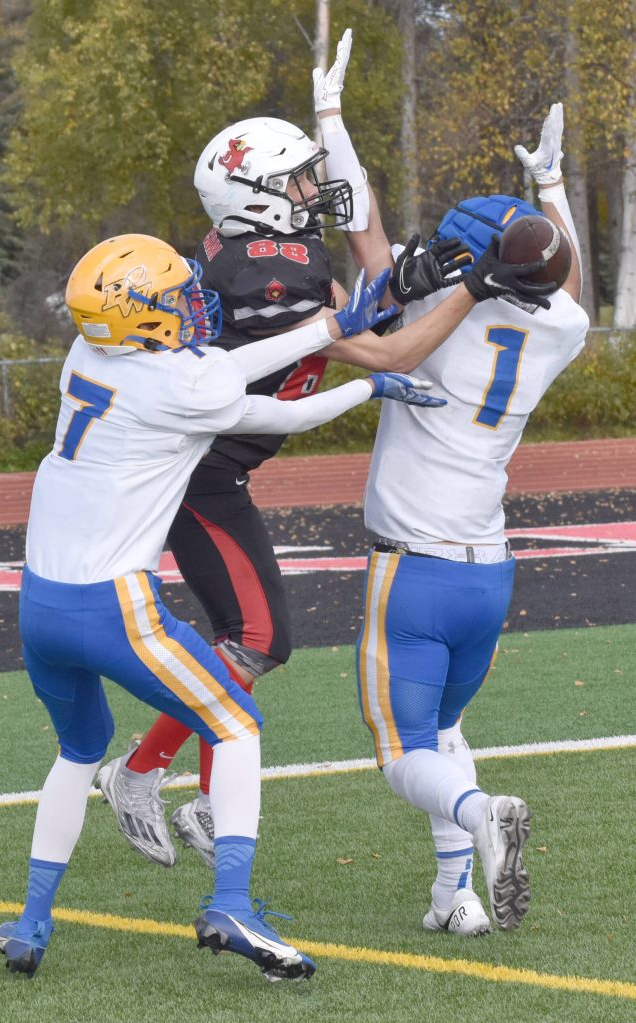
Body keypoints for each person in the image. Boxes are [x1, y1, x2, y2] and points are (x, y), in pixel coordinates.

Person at [0, 230, 534, 979]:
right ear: (143, 316)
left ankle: (30, 921)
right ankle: (232, 903)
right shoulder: (180, 386)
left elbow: (224, 366)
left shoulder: (88, 357)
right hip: (113, 606)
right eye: (175, 293)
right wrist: (367, 383)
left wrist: (333, 328)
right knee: (236, 725)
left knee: (77, 751)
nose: (191, 298)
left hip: (40, 604)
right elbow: (277, 414)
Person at [96, 115, 478, 870]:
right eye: (298, 178)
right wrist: (468, 289)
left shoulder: (267, 258)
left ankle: (178, 786)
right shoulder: (266, 272)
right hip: (196, 473)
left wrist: (403, 284)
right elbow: (381, 346)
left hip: (209, 469)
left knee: (245, 637)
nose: (313, 189)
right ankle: (144, 775)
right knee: (261, 638)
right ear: (255, 196)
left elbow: (361, 313)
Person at [315, 30, 589, 936]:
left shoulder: (439, 313)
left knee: (399, 753)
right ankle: (452, 895)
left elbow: (367, 259)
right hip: (488, 568)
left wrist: (329, 121)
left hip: (415, 567)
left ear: (479, 269)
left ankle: (482, 817)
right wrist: (548, 190)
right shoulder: (561, 329)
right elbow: (564, 275)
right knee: (441, 734)